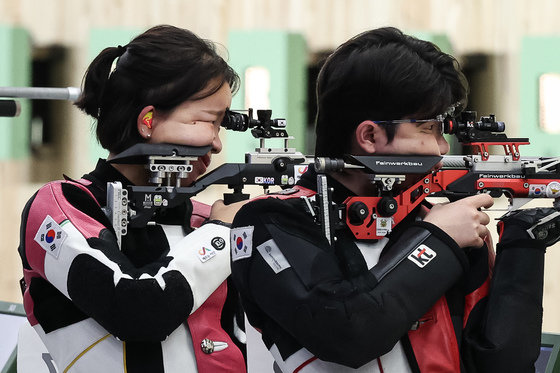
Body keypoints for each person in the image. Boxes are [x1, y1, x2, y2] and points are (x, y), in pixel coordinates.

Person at [230, 27, 552, 372]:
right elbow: (347, 334)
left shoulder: (437, 220)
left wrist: (523, 247)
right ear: (370, 135)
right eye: (430, 129)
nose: (442, 149)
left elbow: (504, 363)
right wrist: (437, 242)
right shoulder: (271, 220)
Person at [18, 25, 247, 373]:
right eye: (208, 122)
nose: (216, 144)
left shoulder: (203, 218)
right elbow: (137, 311)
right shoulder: (63, 205)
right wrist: (219, 234)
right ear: (148, 121)